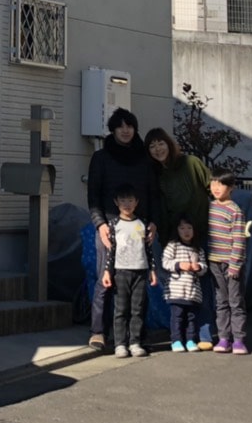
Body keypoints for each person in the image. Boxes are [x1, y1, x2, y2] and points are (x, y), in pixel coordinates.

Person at [87, 108, 158, 349]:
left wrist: (153, 222)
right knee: (105, 278)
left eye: (130, 126)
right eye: (120, 126)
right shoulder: (101, 157)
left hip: (139, 226)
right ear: (113, 129)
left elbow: (153, 194)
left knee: (139, 280)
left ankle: (137, 335)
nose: (125, 130)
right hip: (109, 225)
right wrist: (99, 224)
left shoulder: (144, 159)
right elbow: (93, 196)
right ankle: (98, 331)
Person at [147, 125, 214, 349]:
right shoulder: (157, 175)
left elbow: (212, 187)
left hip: (199, 233)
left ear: (169, 143)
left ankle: (204, 334)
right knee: (178, 289)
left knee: (202, 283)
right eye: (152, 146)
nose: (158, 149)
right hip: (173, 239)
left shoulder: (191, 163)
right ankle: (181, 336)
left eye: (160, 143)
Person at [101, 185, 156, 359]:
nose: (127, 204)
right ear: (116, 202)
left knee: (137, 309)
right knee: (120, 309)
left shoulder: (142, 223)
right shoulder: (113, 224)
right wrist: (107, 272)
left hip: (140, 271)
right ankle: (120, 344)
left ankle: (135, 342)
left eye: (130, 200)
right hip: (120, 271)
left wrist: (152, 270)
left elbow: (148, 249)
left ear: (136, 202)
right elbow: (111, 251)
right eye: (123, 200)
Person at [208, 171, 249, 355]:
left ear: (231, 187)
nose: (216, 188)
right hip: (214, 261)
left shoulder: (235, 210)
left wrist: (235, 264)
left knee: (235, 301)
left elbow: (239, 240)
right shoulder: (209, 207)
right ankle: (223, 338)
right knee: (221, 301)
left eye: (221, 184)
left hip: (232, 264)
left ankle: (239, 340)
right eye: (213, 183)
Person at [161, 216, 207, 352]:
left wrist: (199, 267)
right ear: (176, 230)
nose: (186, 231)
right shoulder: (173, 245)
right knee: (177, 317)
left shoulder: (198, 249)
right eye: (182, 228)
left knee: (191, 317)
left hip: (193, 292)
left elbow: (204, 267)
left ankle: (191, 340)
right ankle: (176, 341)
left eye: (189, 228)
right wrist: (179, 265)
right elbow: (165, 262)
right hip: (176, 290)